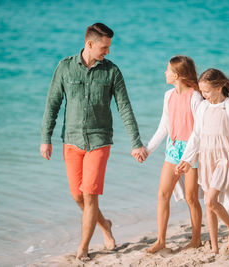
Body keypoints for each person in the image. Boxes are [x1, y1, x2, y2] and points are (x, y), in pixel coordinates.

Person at [40, 23, 148, 260]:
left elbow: (125, 108)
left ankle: (83, 248)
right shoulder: (65, 67)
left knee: (90, 194)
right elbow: (52, 104)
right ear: (89, 44)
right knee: (77, 196)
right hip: (71, 140)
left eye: (109, 47)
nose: (108, 51)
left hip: (100, 140)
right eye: (104, 46)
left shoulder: (112, 72)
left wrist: (136, 142)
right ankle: (105, 225)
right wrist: (45, 138)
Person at [175, 68, 229, 254]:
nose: (204, 95)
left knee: (209, 200)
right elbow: (196, 135)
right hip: (207, 159)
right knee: (210, 205)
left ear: (220, 86)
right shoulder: (203, 107)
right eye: (202, 91)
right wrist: (187, 159)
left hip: (224, 158)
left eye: (207, 91)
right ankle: (214, 247)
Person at [144, 56, 203, 253]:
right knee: (162, 194)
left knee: (191, 197)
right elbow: (164, 126)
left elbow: (198, 132)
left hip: (192, 152)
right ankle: (161, 241)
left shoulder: (195, 97)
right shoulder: (168, 95)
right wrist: (148, 149)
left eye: (167, 70)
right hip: (173, 149)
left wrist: (187, 158)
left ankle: (196, 240)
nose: (165, 73)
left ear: (176, 75)